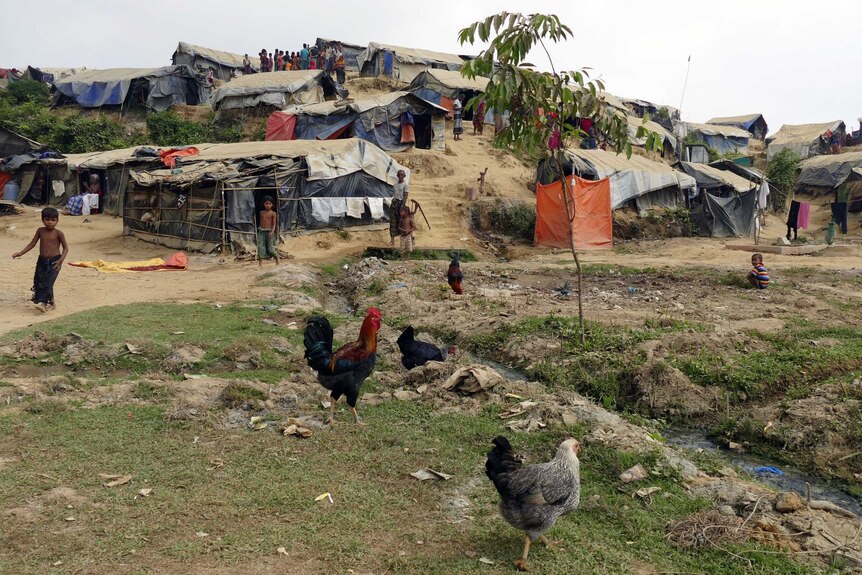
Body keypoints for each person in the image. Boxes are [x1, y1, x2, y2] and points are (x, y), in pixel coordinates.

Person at [12, 207, 69, 312]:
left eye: (53, 220)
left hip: (55, 261)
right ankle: (52, 303)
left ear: (57, 221)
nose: (50, 222)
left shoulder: (59, 233)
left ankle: (43, 304)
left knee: (48, 283)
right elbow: (32, 243)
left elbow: (66, 248)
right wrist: (21, 253)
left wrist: (61, 260)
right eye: (47, 219)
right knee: (40, 282)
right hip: (42, 261)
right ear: (42, 220)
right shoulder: (40, 231)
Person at [257, 196, 280, 266]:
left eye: (270, 204)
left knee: (270, 248)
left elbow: (274, 224)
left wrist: (272, 232)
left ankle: (277, 259)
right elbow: (260, 222)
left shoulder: (273, 213)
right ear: (263, 204)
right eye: (266, 203)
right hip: (261, 232)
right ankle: (260, 265)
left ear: (272, 205)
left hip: (270, 232)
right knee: (260, 247)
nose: (268, 205)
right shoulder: (261, 213)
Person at [389, 170, 408, 246]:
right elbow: (394, 195)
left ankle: (404, 240)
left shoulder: (405, 185)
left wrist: (402, 206)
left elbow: (405, 195)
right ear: (397, 176)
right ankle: (392, 240)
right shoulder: (395, 185)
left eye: (402, 175)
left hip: (401, 204)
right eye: (399, 175)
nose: (400, 176)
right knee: (393, 222)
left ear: (404, 176)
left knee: (401, 222)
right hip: (394, 204)